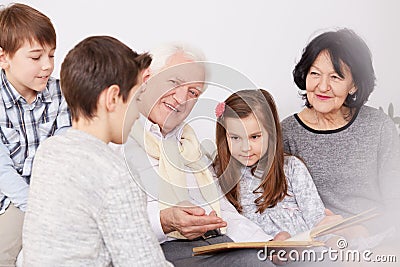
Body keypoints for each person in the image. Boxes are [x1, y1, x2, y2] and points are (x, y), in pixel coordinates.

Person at [112, 43, 275, 266]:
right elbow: (108, 222)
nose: (181, 98)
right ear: (147, 78)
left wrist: (268, 243)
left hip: (215, 244)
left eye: (193, 92)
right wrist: (164, 221)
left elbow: (222, 212)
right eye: (174, 82)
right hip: (157, 249)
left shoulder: (190, 146)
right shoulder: (116, 137)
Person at [22, 36, 171, 266]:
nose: (137, 113)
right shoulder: (114, 174)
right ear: (112, 98)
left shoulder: (50, 151)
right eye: (136, 98)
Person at [281, 28, 400, 242]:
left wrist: (360, 231)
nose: (322, 86)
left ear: (354, 85)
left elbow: (396, 201)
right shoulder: (286, 134)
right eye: (315, 74)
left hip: (378, 237)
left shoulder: (379, 127)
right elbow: (282, 207)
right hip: (316, 243)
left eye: (335, 77)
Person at [0, 3, 70, 265]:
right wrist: (36, 208)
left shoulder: (62, 94)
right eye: (36, 57)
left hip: (53, 192)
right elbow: (3, 172)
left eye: (51, 56)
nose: (47, 66)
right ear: (3, 58)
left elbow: (64, 153)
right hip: (13, 197)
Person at [213, 88, 329, 239]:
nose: (245, 148)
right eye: (235, 138)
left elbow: (316, 218)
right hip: (257, 250)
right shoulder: (218, 174)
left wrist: (331, 238)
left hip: (302, 245)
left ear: (271, 132)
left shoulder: (292, 167)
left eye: (254, 137)